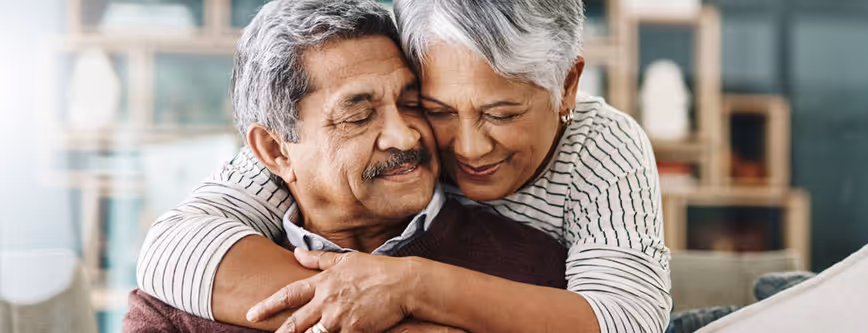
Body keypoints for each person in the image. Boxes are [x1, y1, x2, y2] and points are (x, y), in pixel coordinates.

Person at [137, 0, 671, 332]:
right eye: (436, 108)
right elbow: (173, 246)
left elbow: (625, 320)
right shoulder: (325, 153)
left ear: (568, 87)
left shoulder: (600, 150)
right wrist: (379, 312)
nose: (468, 148)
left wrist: (413, 287)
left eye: (502, 113)